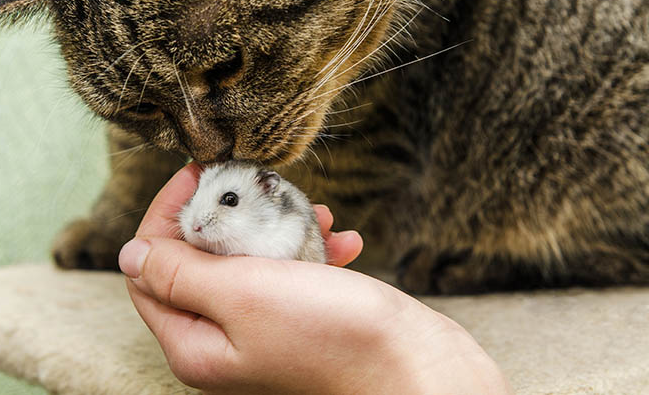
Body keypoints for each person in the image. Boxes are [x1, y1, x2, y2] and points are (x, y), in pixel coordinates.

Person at [119, 164, 513, 394]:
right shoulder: (201, 222)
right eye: (196, 200)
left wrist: (373, 354)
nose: (198, 220)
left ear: (268, 191)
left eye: (228, 201)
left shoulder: (283, 229)